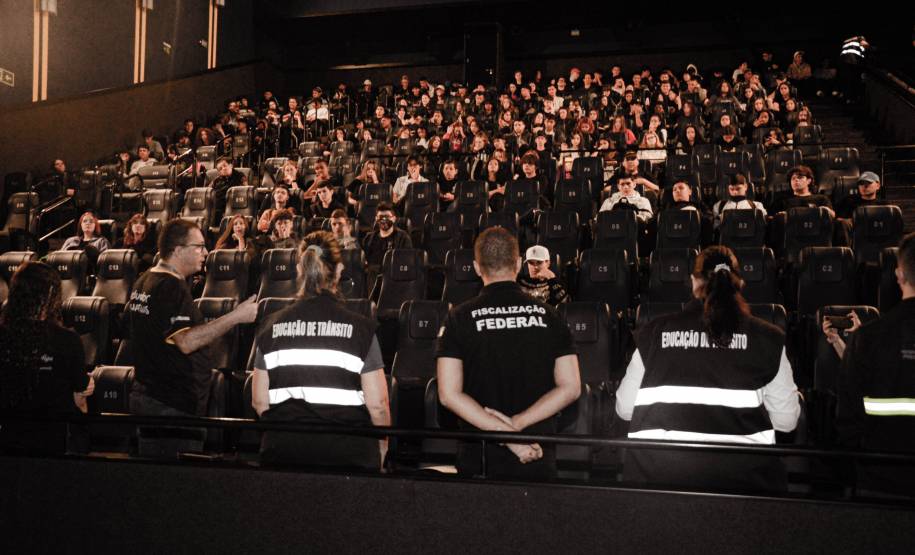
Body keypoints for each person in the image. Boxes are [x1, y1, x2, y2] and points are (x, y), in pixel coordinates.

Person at [615, 246, 801, 492]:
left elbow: (624, 409)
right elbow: (786, 422)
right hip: (744, 487)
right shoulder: (769, 338)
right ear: (740, 283)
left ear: (694, 282)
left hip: (659, 483)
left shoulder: (654, 333)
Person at [436, 227, 581, 479]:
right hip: (535, 450)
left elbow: (449, 394)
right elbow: (571, 387)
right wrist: (517, 426)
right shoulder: (550, 315)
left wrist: (507, 433)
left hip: (480, 457)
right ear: (517, 264)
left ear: (477, 267)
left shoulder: (458, 318)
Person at [251, 232, 390, 469]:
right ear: (338, 271)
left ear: (299, 269)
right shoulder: (361, 328)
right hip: (349, 455)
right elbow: (378, 404)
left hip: (284, 453)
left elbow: (260, 401)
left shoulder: (270, 326)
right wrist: (382, 445)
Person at [126, 219, 257, 416]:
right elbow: (186, 341)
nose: (205, 253)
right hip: (171, 405)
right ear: (178, 250)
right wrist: (236, 316)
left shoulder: (144, 280)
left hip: (150, 396)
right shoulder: (171, 286)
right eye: (199, 247)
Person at [836, 232, 915, 496]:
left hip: (879, 479)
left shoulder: (867, 338)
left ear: (899, 275)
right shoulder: (865, 337)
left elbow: (847, 420)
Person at [0, 262, 95, 453]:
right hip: (52, 444)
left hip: (8, 441)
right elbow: (80, 400)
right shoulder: (67, 340)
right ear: (51, 295)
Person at [361, 202, 412, 283]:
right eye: (381, 217)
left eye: (387, 217)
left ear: (394, 218)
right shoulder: (368, 238)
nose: (384, 220)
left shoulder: (403, 238)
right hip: (371, 278)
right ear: (376, 219)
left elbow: (405, 263)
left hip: (393, 278)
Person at [211, 156, 248, 222]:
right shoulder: (216, 180)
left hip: (235, 204)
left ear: (231, 165)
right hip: (219, 207)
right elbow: (209, 191)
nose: (223, 169)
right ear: (219, 172)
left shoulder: (240, 176)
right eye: (220, 169)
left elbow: (246, 190)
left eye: (225, 166)